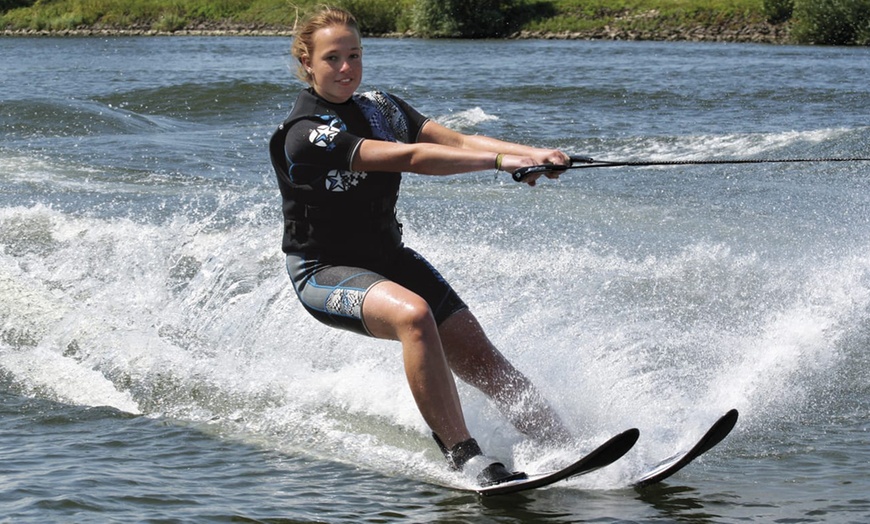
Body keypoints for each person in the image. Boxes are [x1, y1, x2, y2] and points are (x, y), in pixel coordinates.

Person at [269, 6, 572, 487]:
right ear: (306, 63)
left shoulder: (382, 108)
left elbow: (456, 139)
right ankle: (466, 457)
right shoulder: (305, 134)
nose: (346, 68)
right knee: (413, 316)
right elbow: (410, 158)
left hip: (388, 260)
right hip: (323, 271)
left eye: (355, 55)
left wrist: (532, 155)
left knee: (482, 357)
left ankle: (567, 447)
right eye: (332, 59)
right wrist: (499, 163)